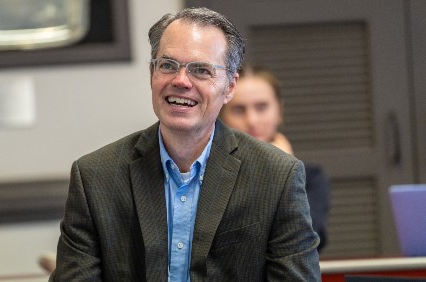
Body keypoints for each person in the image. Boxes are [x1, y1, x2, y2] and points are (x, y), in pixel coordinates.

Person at [50, 7, 320, 281]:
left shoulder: (276, 176)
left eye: (201, 70)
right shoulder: (95, 177)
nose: (180, 81)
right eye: (167, 65)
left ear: (229, 86)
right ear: (152, 74)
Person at [220, 65, 330, 251]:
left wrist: (284, 173)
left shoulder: (311, 177)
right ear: (221, 115)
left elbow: (305, 238)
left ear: (279, 111)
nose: (252, 121)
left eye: (261, 107)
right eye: (239, 110)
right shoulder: (208, 174)